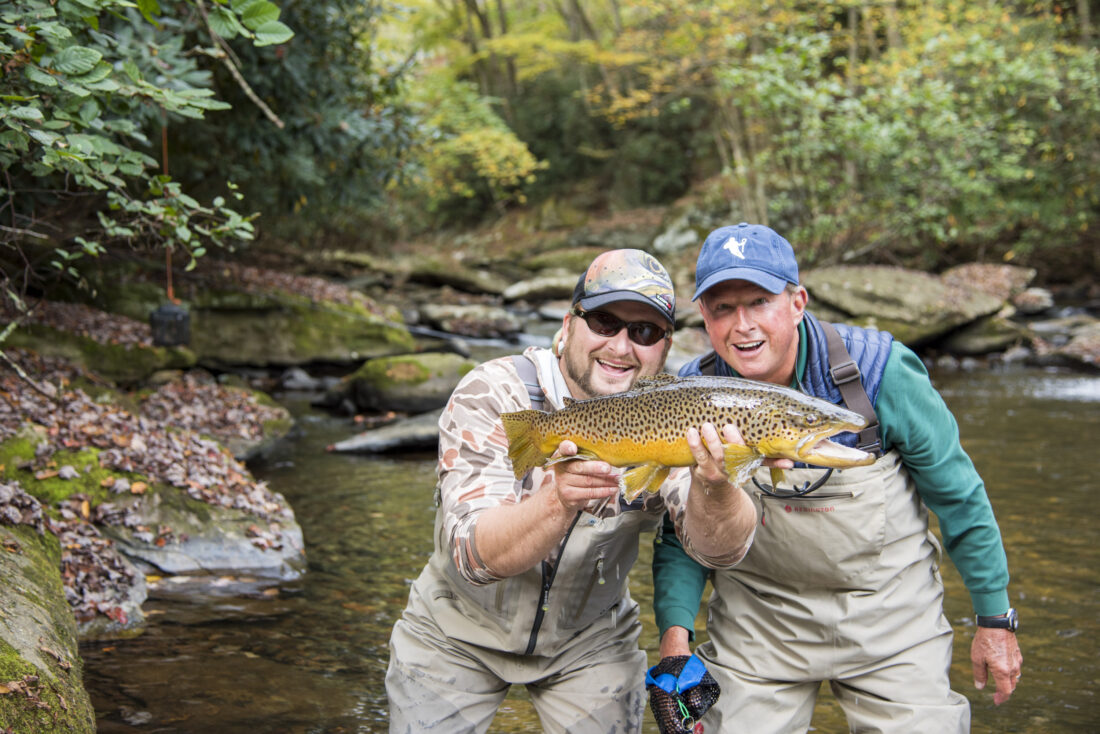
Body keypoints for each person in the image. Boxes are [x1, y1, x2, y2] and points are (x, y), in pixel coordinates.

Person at [652, 223, 1024, 733]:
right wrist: (675, 644)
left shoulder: (880, 372)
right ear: (704, 319)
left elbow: (959, 496)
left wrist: (994, 620)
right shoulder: (689, 397)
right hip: (758, 625)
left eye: (759, 302)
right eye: (722, 309)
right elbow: (681, 534)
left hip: (892, 622)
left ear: (798, 301)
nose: (742, 326)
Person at [386, 249, 768, 734]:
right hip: (455, 629)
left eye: (645, 332)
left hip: (591, 639)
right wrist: (557, 500)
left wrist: (716, 487)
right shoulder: (494, 394)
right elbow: (471, 558)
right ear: (568, 326)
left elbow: (717, 550)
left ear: (665, 349)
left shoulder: (678, 417)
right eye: (605, 322)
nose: (622, 346)